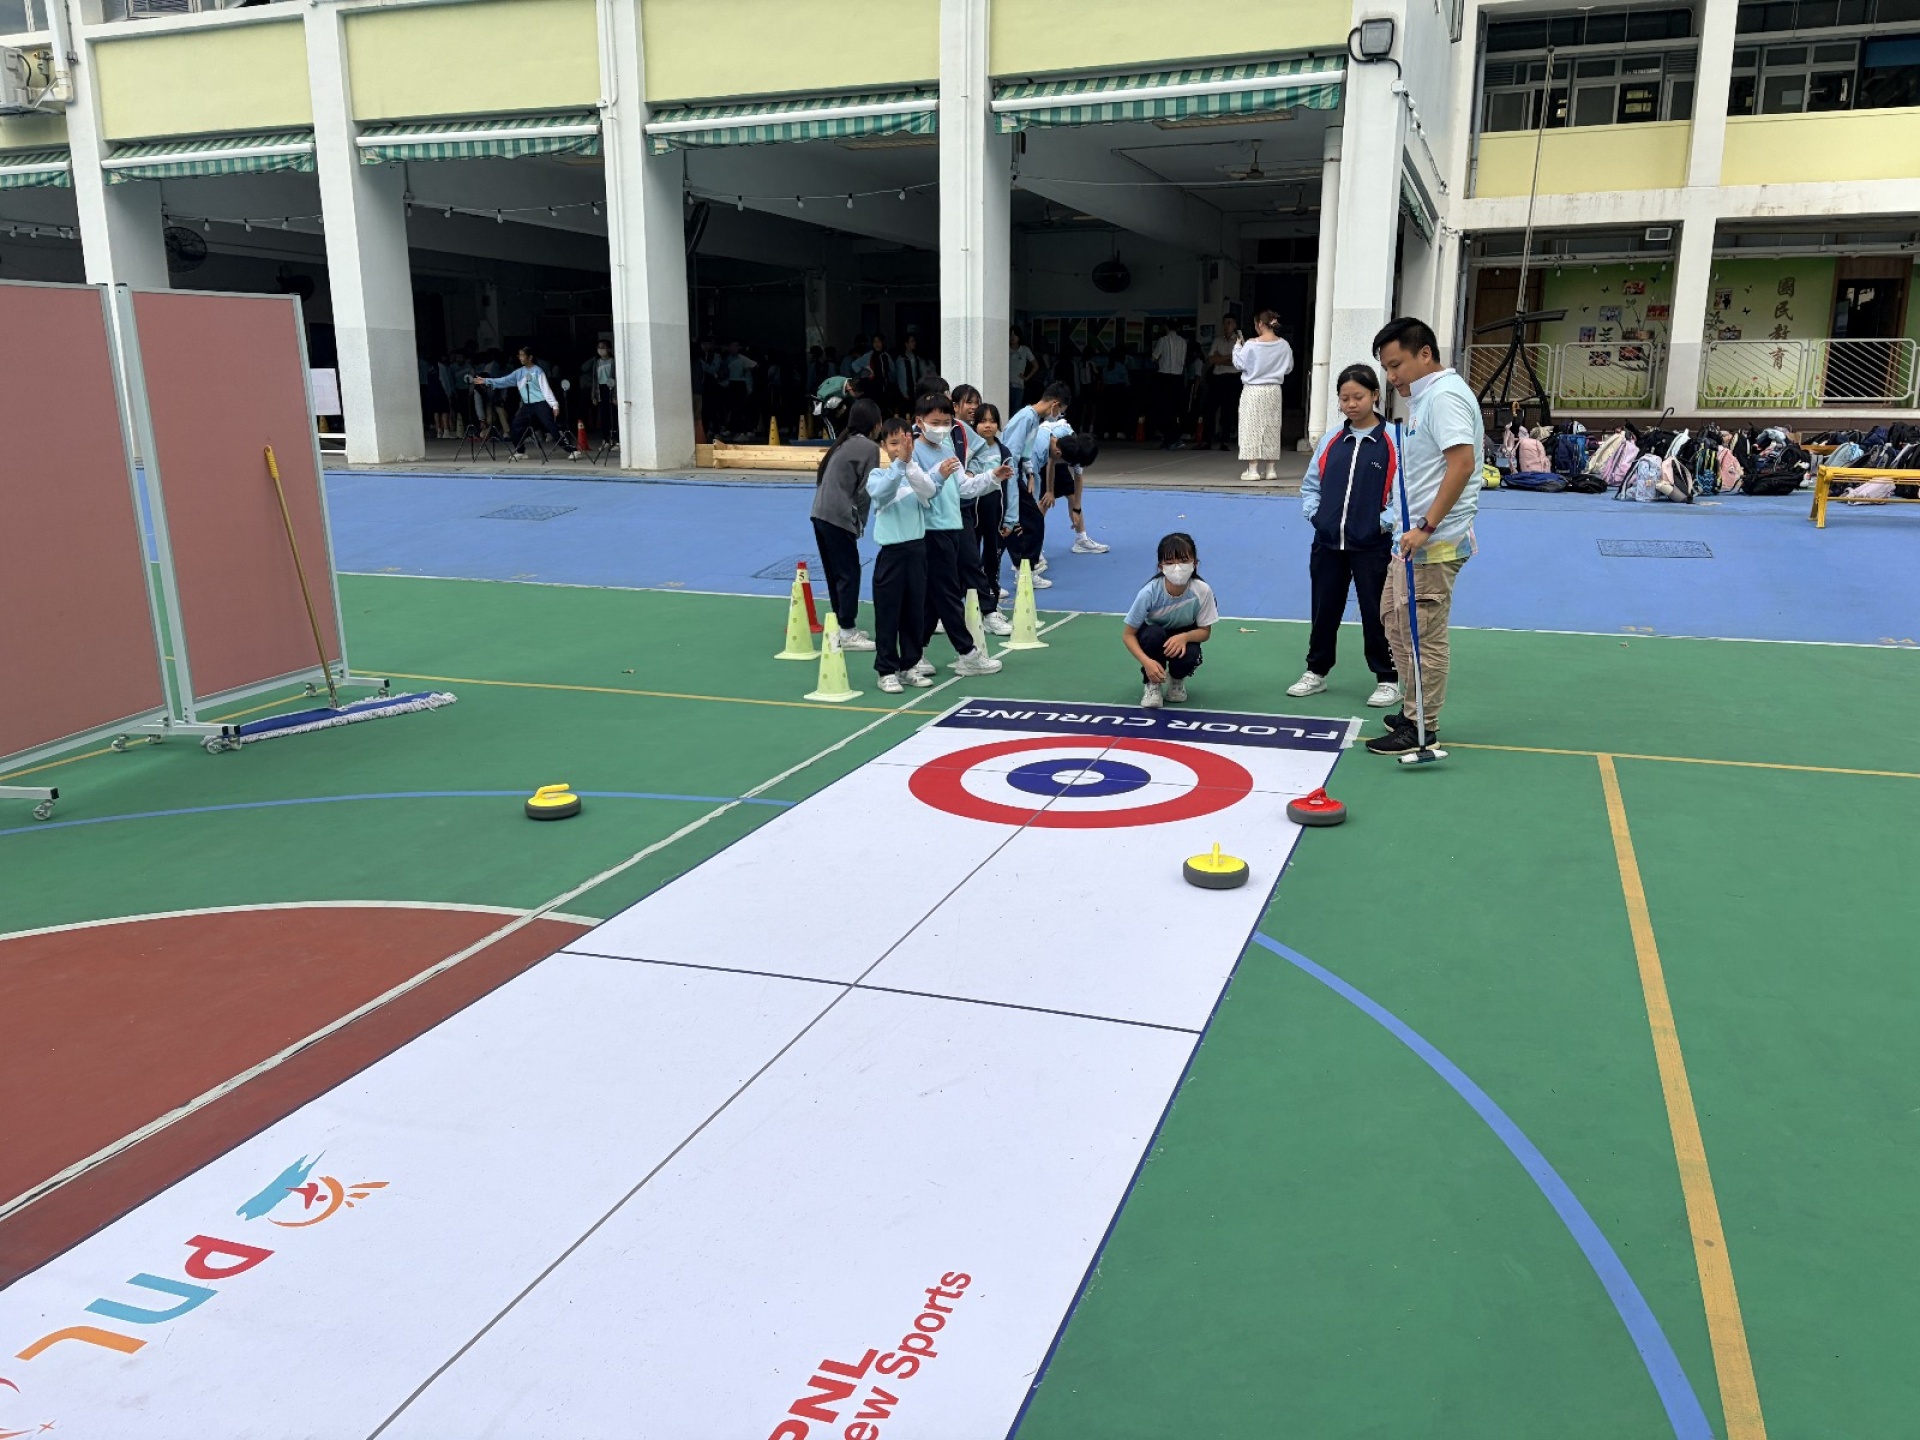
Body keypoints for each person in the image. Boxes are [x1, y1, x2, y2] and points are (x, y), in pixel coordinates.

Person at [1366, 316, 1484, 757]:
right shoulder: (1425, 399)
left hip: (1434, 542)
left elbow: (1462, 465)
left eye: (1396, 365)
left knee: (1422, 635)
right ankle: (1412, 709)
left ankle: (1422, 727)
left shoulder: (1446, 397)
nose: (1391, 376)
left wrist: (1426, 526)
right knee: (1394, 621)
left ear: (1425, 354)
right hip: (1410, 540)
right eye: (1386, 368)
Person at [1289, 364, 1401, 710]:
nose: (1351, 404)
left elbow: (1404, 494)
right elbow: (1311, 485)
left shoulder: (1394, 440)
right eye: (1344, 398)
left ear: (1375, 395)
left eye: (1358, 397)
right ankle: (1316, 671)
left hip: (1372, 546)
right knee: (1324, 610)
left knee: (1376, 613)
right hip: (1327, 544)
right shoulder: (1331, 440)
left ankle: (1387, 678)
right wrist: (1317, 517)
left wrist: (1382, 524)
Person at [908, 392, 1004, 681]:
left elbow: (963, 487)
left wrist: (992, 477)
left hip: (952, 527)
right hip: (930, 531)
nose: (941, 428)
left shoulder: (947, 447)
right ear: (919, 422)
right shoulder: (913, 453)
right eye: (935, 422)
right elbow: (920, 490)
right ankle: (968, 653)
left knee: (933, 597)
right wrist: (938, 474)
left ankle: (914, 654)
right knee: (948, 593)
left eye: (946, 422)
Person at [866, 417, 938, 693]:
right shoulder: (877, 476)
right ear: (883, 446)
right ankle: (886, 670)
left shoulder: (915, 473)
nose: (899, 448)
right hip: (892, 554)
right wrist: (899, 465)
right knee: (888, 614)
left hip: (917, 551)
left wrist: (910, 466)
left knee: (914, 612)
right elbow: (881, 494)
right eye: (893, 443)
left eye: (904, 442)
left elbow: (929, 491)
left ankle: (910, 665)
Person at [812, 398, 882, 652]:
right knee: (849, 573)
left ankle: (841, 625)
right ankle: (848, 630)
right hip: (838, 515)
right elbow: (866, 490)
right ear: (875, 423)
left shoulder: (843, 442)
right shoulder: (869, 448)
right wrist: (859, 522)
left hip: (820, 512)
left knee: (836, 572)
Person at [1124, 532, 1217, 709]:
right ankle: (1152, 684)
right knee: (1152, 635)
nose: (1177, 568)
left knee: (1190, 654)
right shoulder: (1149, 593)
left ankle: (1176, 681)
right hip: (1154, 633)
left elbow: (1205, 631)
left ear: (1195, 563)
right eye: (1170, 562)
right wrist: (1146, 662)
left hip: (1185, 634)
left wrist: (1184, 637)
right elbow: (1128, 635)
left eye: (1183, 561)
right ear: (1161, 567)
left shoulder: (1202, 590)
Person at [997, 381, 1073, 593]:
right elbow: (1011, 452)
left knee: (1030, 523)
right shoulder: (1026, 418)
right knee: (1020, 524)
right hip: (1009, 475)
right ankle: (1019, 571)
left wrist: (1030, 474)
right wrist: (1012, 487)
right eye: (1060, 411)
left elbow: (1025, 451)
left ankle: (1025, 569)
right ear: (1055, 404)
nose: (1058, 416)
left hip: (1018, 474)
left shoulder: (1033, 418)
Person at [963, 400, 1016, 636]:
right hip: (972, 511)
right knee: (970, 557)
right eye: (982, 421)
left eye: (993, 421)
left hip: (995, 511)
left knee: (992, 557)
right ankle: (969, 604)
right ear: (974, 425)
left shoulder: (1004, 453)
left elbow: (1011, 487)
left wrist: (1010, 518)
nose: (988, 425)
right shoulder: (970, 452)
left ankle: (991, 605)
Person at [473, 347, 577, 460]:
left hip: (540, 404)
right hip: (527, 405)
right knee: (515, 426)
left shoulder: (538, 371)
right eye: (519, 355)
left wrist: (554, 404)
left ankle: (572, 450)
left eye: (522, 355)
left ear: (530, 357)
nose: (520, 358)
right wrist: (486, 381)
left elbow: (545, 388)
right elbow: (504, 381)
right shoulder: (519, 372)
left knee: (551, 427)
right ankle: (520, 451)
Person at [1034, 409, 1109, 555]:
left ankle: (1081, 540)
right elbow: (1051, 462)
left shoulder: (1077, 449)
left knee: (1073, 496)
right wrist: (1050, 491)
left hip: (1058, 459)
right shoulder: (1059, 438)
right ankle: (1032, 548)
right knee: (1045, 501)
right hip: (1043, 457)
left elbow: (1078, 477)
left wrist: (1077, 509)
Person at [1234, 310, 1294, 481]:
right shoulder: (1284, 345)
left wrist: (1238, 346)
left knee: (1251, 427)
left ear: (1260, 324)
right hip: (1274, 390)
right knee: (1271, 427)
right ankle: (1271, 469)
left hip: (1253, 390)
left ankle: (1253, 469)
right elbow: (1288, 368)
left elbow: (1239, 364)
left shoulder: (1251, 344)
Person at [1151, 322, 1190, 448]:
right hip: (1178, 377)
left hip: (1164, 377)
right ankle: (1174, 437)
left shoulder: (1163, 340)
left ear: (1166, 327)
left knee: (1163, 408)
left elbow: (1154, 357)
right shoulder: (1183, 342)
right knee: (1175, 408)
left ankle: (1170, 437)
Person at [1206, 316, 1241, 450]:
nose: (1226, 326)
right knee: (1210, 408)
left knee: (1228, 409)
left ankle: (1224, 440)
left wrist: (1220, 358)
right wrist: (1228, 357)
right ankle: (1207, 439)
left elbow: (1237, 361)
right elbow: (1211, 360)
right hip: (1217, 377)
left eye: (1229, 323)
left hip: (1232, 377)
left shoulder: (1239, 341)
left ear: (1234, 325)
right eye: (1225, 323)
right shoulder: (1217, 340)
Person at [589, 339, 617, 442]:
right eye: (598, 348)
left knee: (613, 414)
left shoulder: (613, 361)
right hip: (600, 389)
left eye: (603, 348)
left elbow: (616, 378)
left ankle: (615, 438)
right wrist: (594, 395)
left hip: (611, 388)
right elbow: (594, 380)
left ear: (608, 349)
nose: (600, 350)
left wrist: (615, 395)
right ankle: (605, 438)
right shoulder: (597, 362)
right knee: (604, 415)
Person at [1009, 327, 1037, 415]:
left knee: (1015, 411)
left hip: (1019, 385)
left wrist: (1026, 378)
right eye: (1011, 335)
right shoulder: (1005, 349)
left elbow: (1035, 366)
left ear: (1019, 336)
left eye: (1015, 335)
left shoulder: (1025, 350)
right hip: (1006, 385)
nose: (1012, 337)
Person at [895, 333, 930, 401]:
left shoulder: (917, 358)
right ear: (906, 344)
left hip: (916, 392)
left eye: (914, 341)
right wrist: (904, 393)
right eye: (912, 341)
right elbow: (901, 378)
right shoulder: (901, 359)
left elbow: (923, 374)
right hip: (906, 393)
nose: (914, 343)